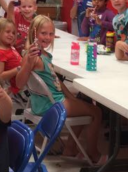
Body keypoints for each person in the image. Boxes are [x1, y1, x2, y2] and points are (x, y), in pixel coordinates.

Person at [16, 16, 103, 164]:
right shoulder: (33, 57)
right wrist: (27, 63)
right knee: (96, 112)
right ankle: (93, 154)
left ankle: (70, 148)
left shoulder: (41, 54)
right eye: (44, 33)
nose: (48, 37)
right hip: (52, 104)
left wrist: (71, 97)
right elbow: (19, 83)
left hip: (44, 102)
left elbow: (55, 79)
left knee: (82, 104)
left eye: (51, 34)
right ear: (34, 33)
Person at [0, 18, 27, 115]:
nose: (11, 35)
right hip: (22, 88)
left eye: (13, 33)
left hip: (23, 80)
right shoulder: (0, 52)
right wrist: (18, 69)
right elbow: (0, 75)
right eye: (8, 32)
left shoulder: (9, 47)